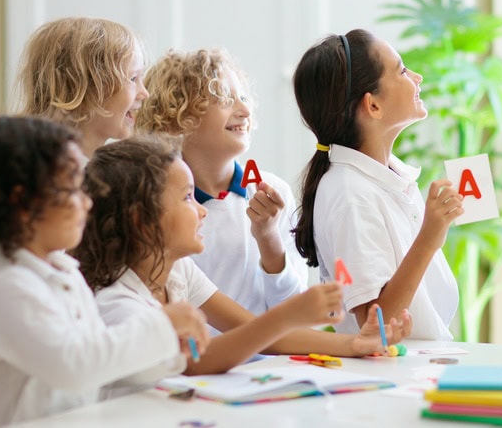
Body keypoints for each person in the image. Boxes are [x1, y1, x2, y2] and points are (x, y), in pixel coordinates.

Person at [0, 116, 209, 428]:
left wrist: (166, 355)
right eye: (72, 190)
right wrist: (161, 325)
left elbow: (101, 365)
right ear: (23, 203)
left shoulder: (65, 274)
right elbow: (74, 366)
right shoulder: (6, 286)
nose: (86, 203)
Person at [73, 135, 412, 383]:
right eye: (187, 197)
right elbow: (195, 362)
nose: (201, 211)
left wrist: (354, 344)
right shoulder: (117, 302)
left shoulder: (178, 272)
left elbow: (256, 332)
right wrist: (288, 315)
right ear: (140, 220)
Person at [292, 29, 464, 340]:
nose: (418, 77)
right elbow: (377, 326)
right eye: (401, 70)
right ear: (373, 106)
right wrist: (429, 237)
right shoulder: (349, 193)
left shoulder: (383, 180)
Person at [136, 48, 307, 316]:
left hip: (270, 358)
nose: (245, 109)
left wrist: (269, 238)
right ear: (179, 117)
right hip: (192, 357)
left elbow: (294, 313)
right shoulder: (154, 204)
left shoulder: (273, 194)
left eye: (243, 97)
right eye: (226, 99)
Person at [13, 16, 150, 159]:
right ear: (83, 90)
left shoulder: (102, 172)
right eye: (133, 78)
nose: (145, 93)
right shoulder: (52, 177)